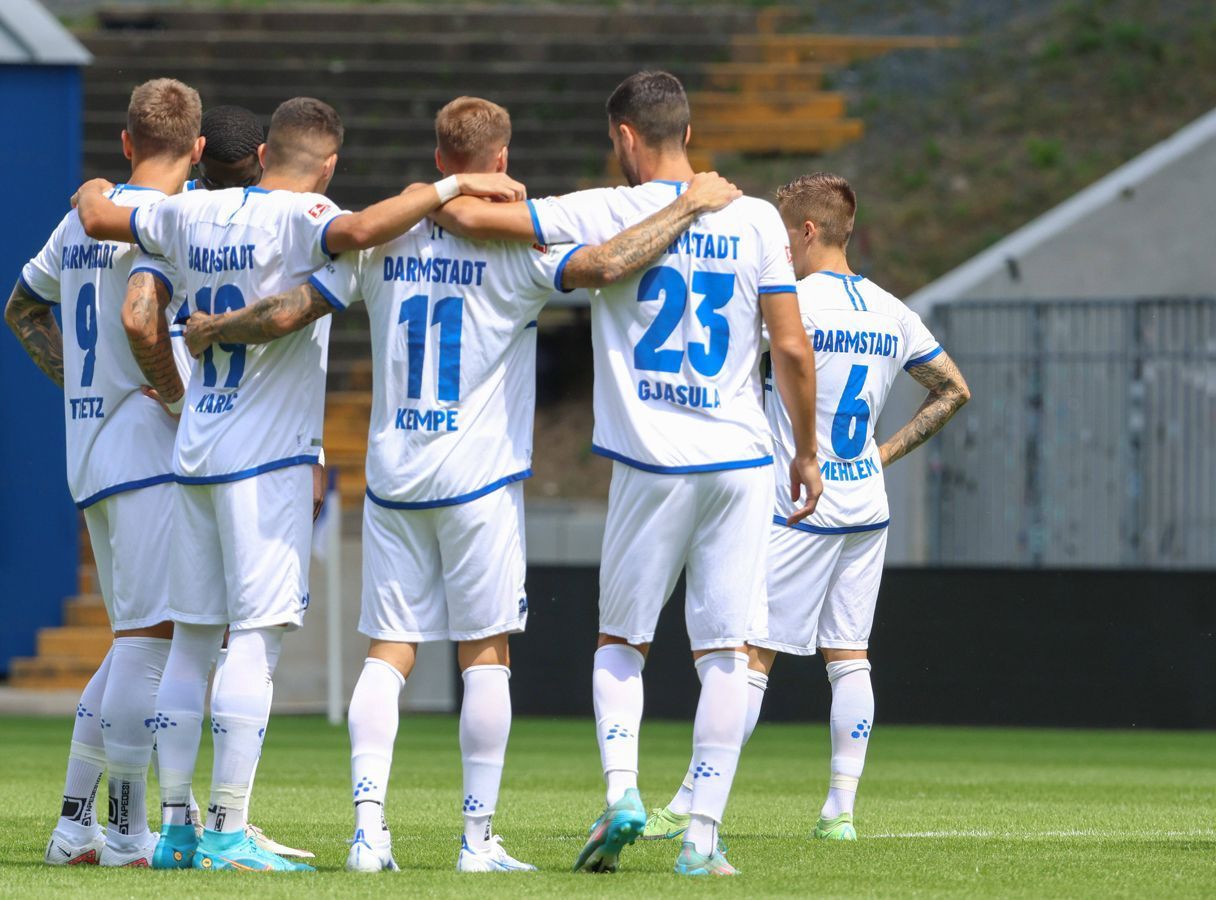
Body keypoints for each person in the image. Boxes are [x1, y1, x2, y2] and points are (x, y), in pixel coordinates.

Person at [182, 96, 745, 875]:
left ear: (440, 159)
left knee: (388, 653)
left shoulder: (386, 238)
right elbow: (611, 264)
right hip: (480, 480)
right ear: (503, 160)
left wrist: (215, 328)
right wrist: (690, 204)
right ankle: (477, 842)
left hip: (395, 476)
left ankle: (368, 834)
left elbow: (290, 310)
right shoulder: (520, 255)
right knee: (485, 655)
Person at [72, 95, 525, 872]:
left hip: (195, 449)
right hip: (267, 459)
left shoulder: (194, 214)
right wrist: (448, 189)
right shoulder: (306, 214)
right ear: (329, 164)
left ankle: (176, 828)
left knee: (189, 642)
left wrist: (91, 189)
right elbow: (352, 234)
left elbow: (104, 221)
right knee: (254, 640)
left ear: (263, 150)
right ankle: (227, 829)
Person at [431, 70, 822, 877]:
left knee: (622, 644)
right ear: (690, 128)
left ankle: (623, 794)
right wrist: (807, 449)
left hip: (651, 462)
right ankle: (704, 837)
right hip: (742, 460)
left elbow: (465, 215)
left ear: (625, 138)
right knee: (726, 654)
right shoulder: (753, 218)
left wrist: (469, 177)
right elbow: (789, 347)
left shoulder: (599, 209)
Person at [650, 172, 969, 844]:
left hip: (798, 504)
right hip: (865, 506)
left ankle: (690, 803)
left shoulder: (790, 303)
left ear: (806, 231)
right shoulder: (891, 311)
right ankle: (840, 812)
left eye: (780, 235)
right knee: (849, 657)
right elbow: (952, 390)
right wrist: (880, 455)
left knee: (749, 655)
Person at [6, 78, 203, 868]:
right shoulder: (169, 222)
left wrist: (81, 387)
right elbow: (144, 321)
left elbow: (24, 308)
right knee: (150, 647)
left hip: (89, 452)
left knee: (130, 644)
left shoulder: (79, 217)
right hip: (147, 453)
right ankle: (127, 832)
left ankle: (73, 827)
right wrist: (175, 398)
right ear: (193, 150)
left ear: (126, 142)